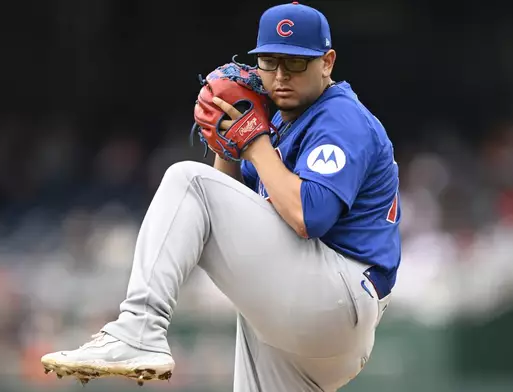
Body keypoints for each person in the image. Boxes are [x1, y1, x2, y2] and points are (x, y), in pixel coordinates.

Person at [40, 2, 401, 391]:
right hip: (311, 322)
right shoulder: (278, 119)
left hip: (339, 295)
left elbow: (307, 216)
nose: (280, 75)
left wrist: (254, 141)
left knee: (185, 179)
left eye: (296, 63)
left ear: (327, 62)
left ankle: (139, 328)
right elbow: (220, 218)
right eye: (269, 61)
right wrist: (228, 141)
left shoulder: (340, 117)